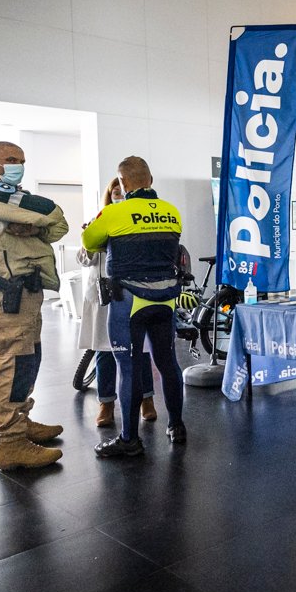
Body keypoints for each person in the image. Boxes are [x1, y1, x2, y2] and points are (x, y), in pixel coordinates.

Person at [0, 141, 69, 470]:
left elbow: (59, 227)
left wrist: (32, 227)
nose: (17, 166)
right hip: (7, 291)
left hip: (25, 289)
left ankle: (21, 421)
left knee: (28, 358)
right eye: (10, 160)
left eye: (21, 160)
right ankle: (11, 442)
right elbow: (52, 211)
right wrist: (40, 224)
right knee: (13, 361)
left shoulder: (7, 196)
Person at [82, 156, 186, 458]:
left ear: (123, 183)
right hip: (166, 300)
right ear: (150, 180)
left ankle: (129, 440)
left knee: (128, 368)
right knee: (168, 363)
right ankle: (177, 426)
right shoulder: (172, 211)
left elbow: (89, 242)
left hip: (128, 301)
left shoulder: (113, 213)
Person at [76, 177, 157, 427]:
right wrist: (92, 240)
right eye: (115, 193)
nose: (119, 196)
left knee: (141, 349)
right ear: (109, 196)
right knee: (104, 350)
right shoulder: (99, 219)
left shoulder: (140, 220)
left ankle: (147, 400)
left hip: (134, 291)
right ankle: (106, 403)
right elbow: (84, 260)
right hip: (103, 293)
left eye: (123, 192)